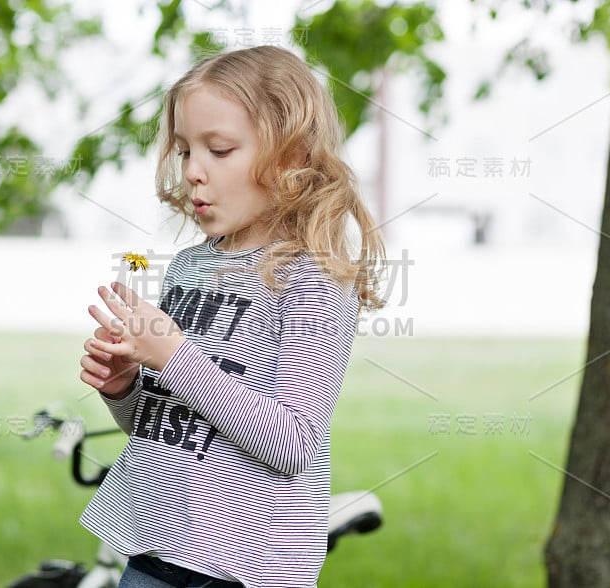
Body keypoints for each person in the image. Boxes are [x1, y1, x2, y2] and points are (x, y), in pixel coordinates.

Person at [78, 45, 386, 588]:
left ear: (290, 156)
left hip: (244, 567)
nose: (193, 171)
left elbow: (293, 441)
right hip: (155, 547)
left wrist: (174, 357)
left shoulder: (311, 279)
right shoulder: (189, 269)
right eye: (184, 151)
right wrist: (126, 387)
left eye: (218, 150)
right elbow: (162, 427)